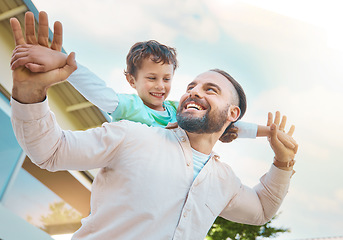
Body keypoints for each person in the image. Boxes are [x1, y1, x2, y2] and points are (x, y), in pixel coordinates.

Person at [10, 12, 298, 240]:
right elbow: (49, 151)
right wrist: (30, 94)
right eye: (191, 86)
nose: (194, 91)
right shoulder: (133, 135)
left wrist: (283, 162)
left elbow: (261, 210)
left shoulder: (223, 180)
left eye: (211, 89)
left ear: (232, 113)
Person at [10, 12, 293, 144]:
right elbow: (97, 90)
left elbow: (228, 125)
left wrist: (267, 131)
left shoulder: (176, 112)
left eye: (167, 79)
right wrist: (65, 63)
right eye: (151, 78)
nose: (160, 87)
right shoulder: (128, 107)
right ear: (132, 81)